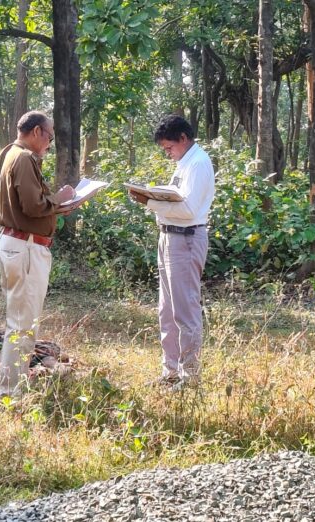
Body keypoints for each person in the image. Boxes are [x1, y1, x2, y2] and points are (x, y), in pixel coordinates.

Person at [0, 110, 75, 399]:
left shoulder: (10, 153)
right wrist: (58, 200)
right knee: (22, 324)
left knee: (21, 321)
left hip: (19, 244)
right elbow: (33, 206)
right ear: (36, 132)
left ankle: (10, 386)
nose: (49, 143)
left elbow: (30, 204)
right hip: (24, 247)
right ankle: (9, 393)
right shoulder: (23, 158)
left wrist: (55, 207)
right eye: (49, 137)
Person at [128, 114, 215, 390]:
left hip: (186, 239)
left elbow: (188, 210)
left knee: (185, 310)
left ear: (184, 138)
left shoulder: (198, 163)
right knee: (167, 310)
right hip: (169, 237)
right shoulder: (184, 163)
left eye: (169, 147)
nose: (168, 153)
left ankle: (190, 376)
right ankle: (171, 372)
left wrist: (150, 202)